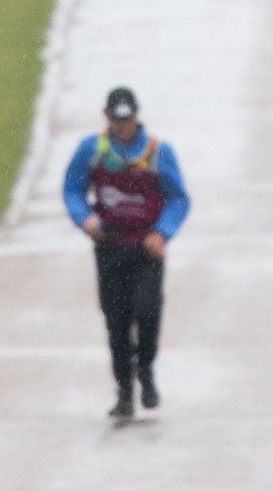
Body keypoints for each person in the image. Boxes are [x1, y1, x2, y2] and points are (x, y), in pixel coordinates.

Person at [62, 87, 190, 419]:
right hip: (109, 247)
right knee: (116, 320)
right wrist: (84, 218)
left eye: (128, 120)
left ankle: (145, 370)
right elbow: (72, 188)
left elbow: (178, 198)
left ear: (137, 116)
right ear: (107, 117)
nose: (123, 126)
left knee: (147, 314)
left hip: (146, 249)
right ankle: (124, 392)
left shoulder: (158, 151)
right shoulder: (92, 150)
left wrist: (163, 233)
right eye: (117, 121)